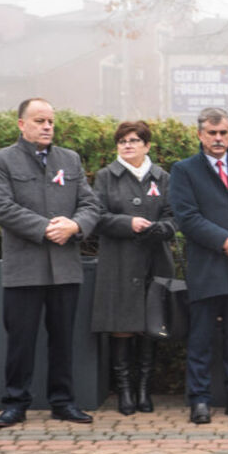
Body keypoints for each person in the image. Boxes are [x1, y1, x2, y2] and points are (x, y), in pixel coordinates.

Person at [0, 97, 101, 428]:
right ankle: (14, 403)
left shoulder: (70, 159)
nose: (47, 126)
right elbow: (1, 208)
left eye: (50, 121)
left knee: (63, 339)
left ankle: (63, 402)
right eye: (39, 121)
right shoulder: (2, 160)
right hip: (24, 269)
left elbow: (90, 205)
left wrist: (76, 226)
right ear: (22, 124)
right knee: (21, 341)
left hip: (65, 267)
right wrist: (47, 229)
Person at [169, 107, 228, 424]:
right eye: (212, 133)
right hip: (206, 266)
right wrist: (224, 240)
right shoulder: (185, 170)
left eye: (223, 132)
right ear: (200, 135)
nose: (218, 139)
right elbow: (186, 217)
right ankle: (199, 400)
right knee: (201, 337)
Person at [91, 121, 177, 415]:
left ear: (147, 145)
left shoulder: (162, 177)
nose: (127, 145)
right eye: (122, 141)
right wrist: (128, 223)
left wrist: (161, 228)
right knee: (122, 327)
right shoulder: (105, 176)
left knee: (150, 327)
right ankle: (125, 392)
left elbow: (173, 216)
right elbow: (97, 216)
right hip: (118, 261)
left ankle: (144, 390)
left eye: (134, 140)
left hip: (154, 260)